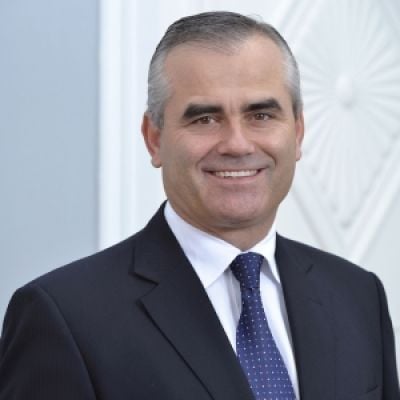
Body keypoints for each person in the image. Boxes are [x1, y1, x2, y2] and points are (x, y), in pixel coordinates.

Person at [0, 10, 399, 400]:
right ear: (153, 138)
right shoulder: (64, 318)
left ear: (297, 133)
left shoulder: (358, 297)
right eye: (205, 119)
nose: (238, 144)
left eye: (260, 114)